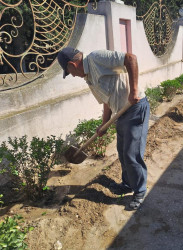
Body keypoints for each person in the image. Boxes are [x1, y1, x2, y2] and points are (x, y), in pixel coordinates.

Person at [57, 47, 150, 210]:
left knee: (131, 154)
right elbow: (106, 102)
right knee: (122, 152)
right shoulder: (89, 78)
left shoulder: (95, 58)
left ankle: (140, 191)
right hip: (121, 113)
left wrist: (134, 90)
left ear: (72, 64)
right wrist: (103, 125)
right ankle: (128, 184)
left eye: (69, 71)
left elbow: (131, 59)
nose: (71, 75)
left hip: (135, 107)